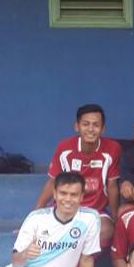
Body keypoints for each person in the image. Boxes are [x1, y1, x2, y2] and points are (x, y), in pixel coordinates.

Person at [34, 104, 120, 249]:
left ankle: (76, 257)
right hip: (65, 206)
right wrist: (35, 214)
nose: (91, 129)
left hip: (95, 211)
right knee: (43, 232)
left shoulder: (113, 148)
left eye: (96, 125)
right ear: (77, 126)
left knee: (107, 230)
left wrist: (116, 219)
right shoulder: (64, 147)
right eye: (85, 124)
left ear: (103, 128)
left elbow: (112, 186)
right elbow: (52, 181)